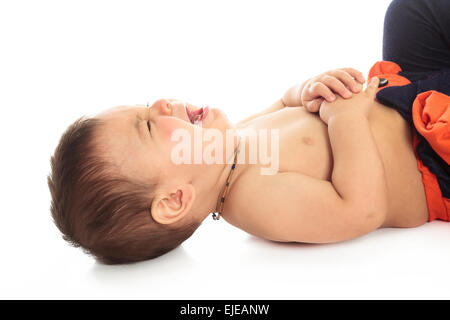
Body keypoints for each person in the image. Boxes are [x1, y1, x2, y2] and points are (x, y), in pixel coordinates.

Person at [48, 0, 449, 264]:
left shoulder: (232, 144)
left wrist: (306, 91)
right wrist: (346, 119)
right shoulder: (256, 199)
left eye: (145, 104)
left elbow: (284, 106)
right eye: (150, 124)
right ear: (174, 200)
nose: (161, 103)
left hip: (409, 92)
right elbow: (359, 208)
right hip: (433, 151)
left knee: (411, 12)